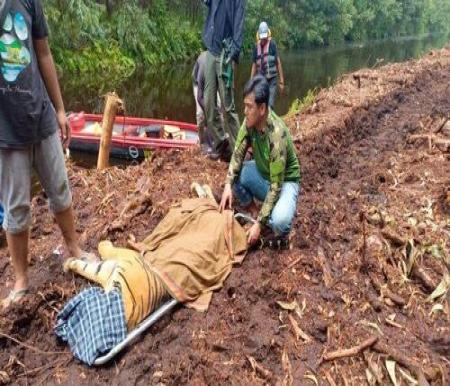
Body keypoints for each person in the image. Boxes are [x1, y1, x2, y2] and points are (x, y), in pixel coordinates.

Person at [0, 0, 83, 307]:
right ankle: (21, 280)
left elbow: (44, 52)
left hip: (41, 115)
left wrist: (60, 109)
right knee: (16, 206)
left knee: (60, 187)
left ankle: (74, 247)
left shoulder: (29, 2)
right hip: (7, 130)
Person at [219, 75, 300, 247]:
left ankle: (271, 218)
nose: (245, 111)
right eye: (244, 106)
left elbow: (276, 186)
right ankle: (255, 212)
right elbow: (238, 154)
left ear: (262, 108)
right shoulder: (249, 123)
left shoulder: (276, 134)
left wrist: (259, 225)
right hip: (265, 173)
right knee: (236, 174)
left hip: (284, 182)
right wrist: (227, 184)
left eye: (249, 107)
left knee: (280, 221)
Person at [201, 0, 245, 160]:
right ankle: (221, 144)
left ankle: (239, 150)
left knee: (228, 106)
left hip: (225, 53)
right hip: (211, 50)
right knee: (208, 102)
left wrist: (234, 50)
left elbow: (239, 22)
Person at [192, 50, 223, 154]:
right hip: (198, 85)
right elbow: (200, 96)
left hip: (212, 85)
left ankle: (219, 140)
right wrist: (207, 112)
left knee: (219, 111)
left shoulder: (220, 67)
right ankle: (201, 143)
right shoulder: (203, 69)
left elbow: (222, 91)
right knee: (201, 116)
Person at [250, 21, 285, 109]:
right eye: (262, 38)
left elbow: (278, 62)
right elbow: (254, 65)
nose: (263, 40)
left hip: (272, 79)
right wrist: (251, 82)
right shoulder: (255, 47)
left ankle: (270, 118)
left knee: (270, 104)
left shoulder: (272, 44)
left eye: (265, 38)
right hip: (261, 80)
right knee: (261, 103)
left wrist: (281, 81)